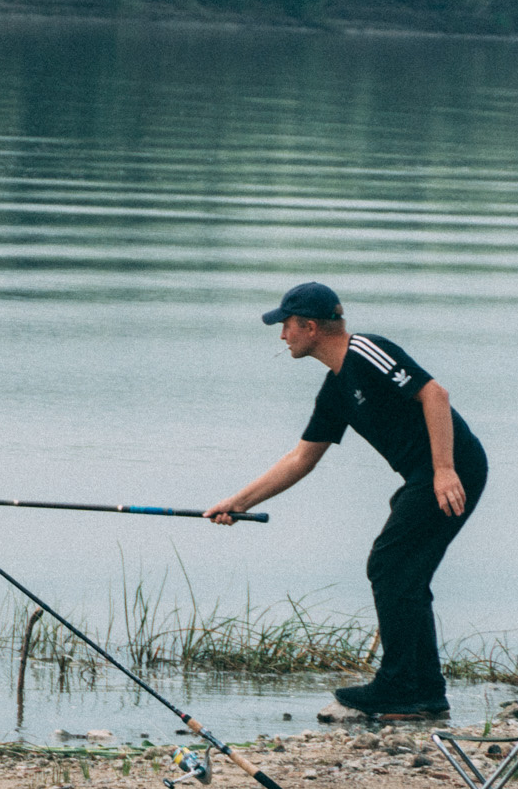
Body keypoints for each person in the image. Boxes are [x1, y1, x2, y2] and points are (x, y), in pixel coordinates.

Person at [204, 282, 487, 717]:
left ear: (311, 327)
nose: (282, 336)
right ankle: (425, 691)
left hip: (453, 469)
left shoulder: (367, 351)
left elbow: (435, 395)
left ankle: (398, 686)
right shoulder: (336, 389)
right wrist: (237, 502)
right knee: (404, 574)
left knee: (389, 565)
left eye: (286, 326)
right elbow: (301, 458)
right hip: (424, 474)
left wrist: (444, 470)